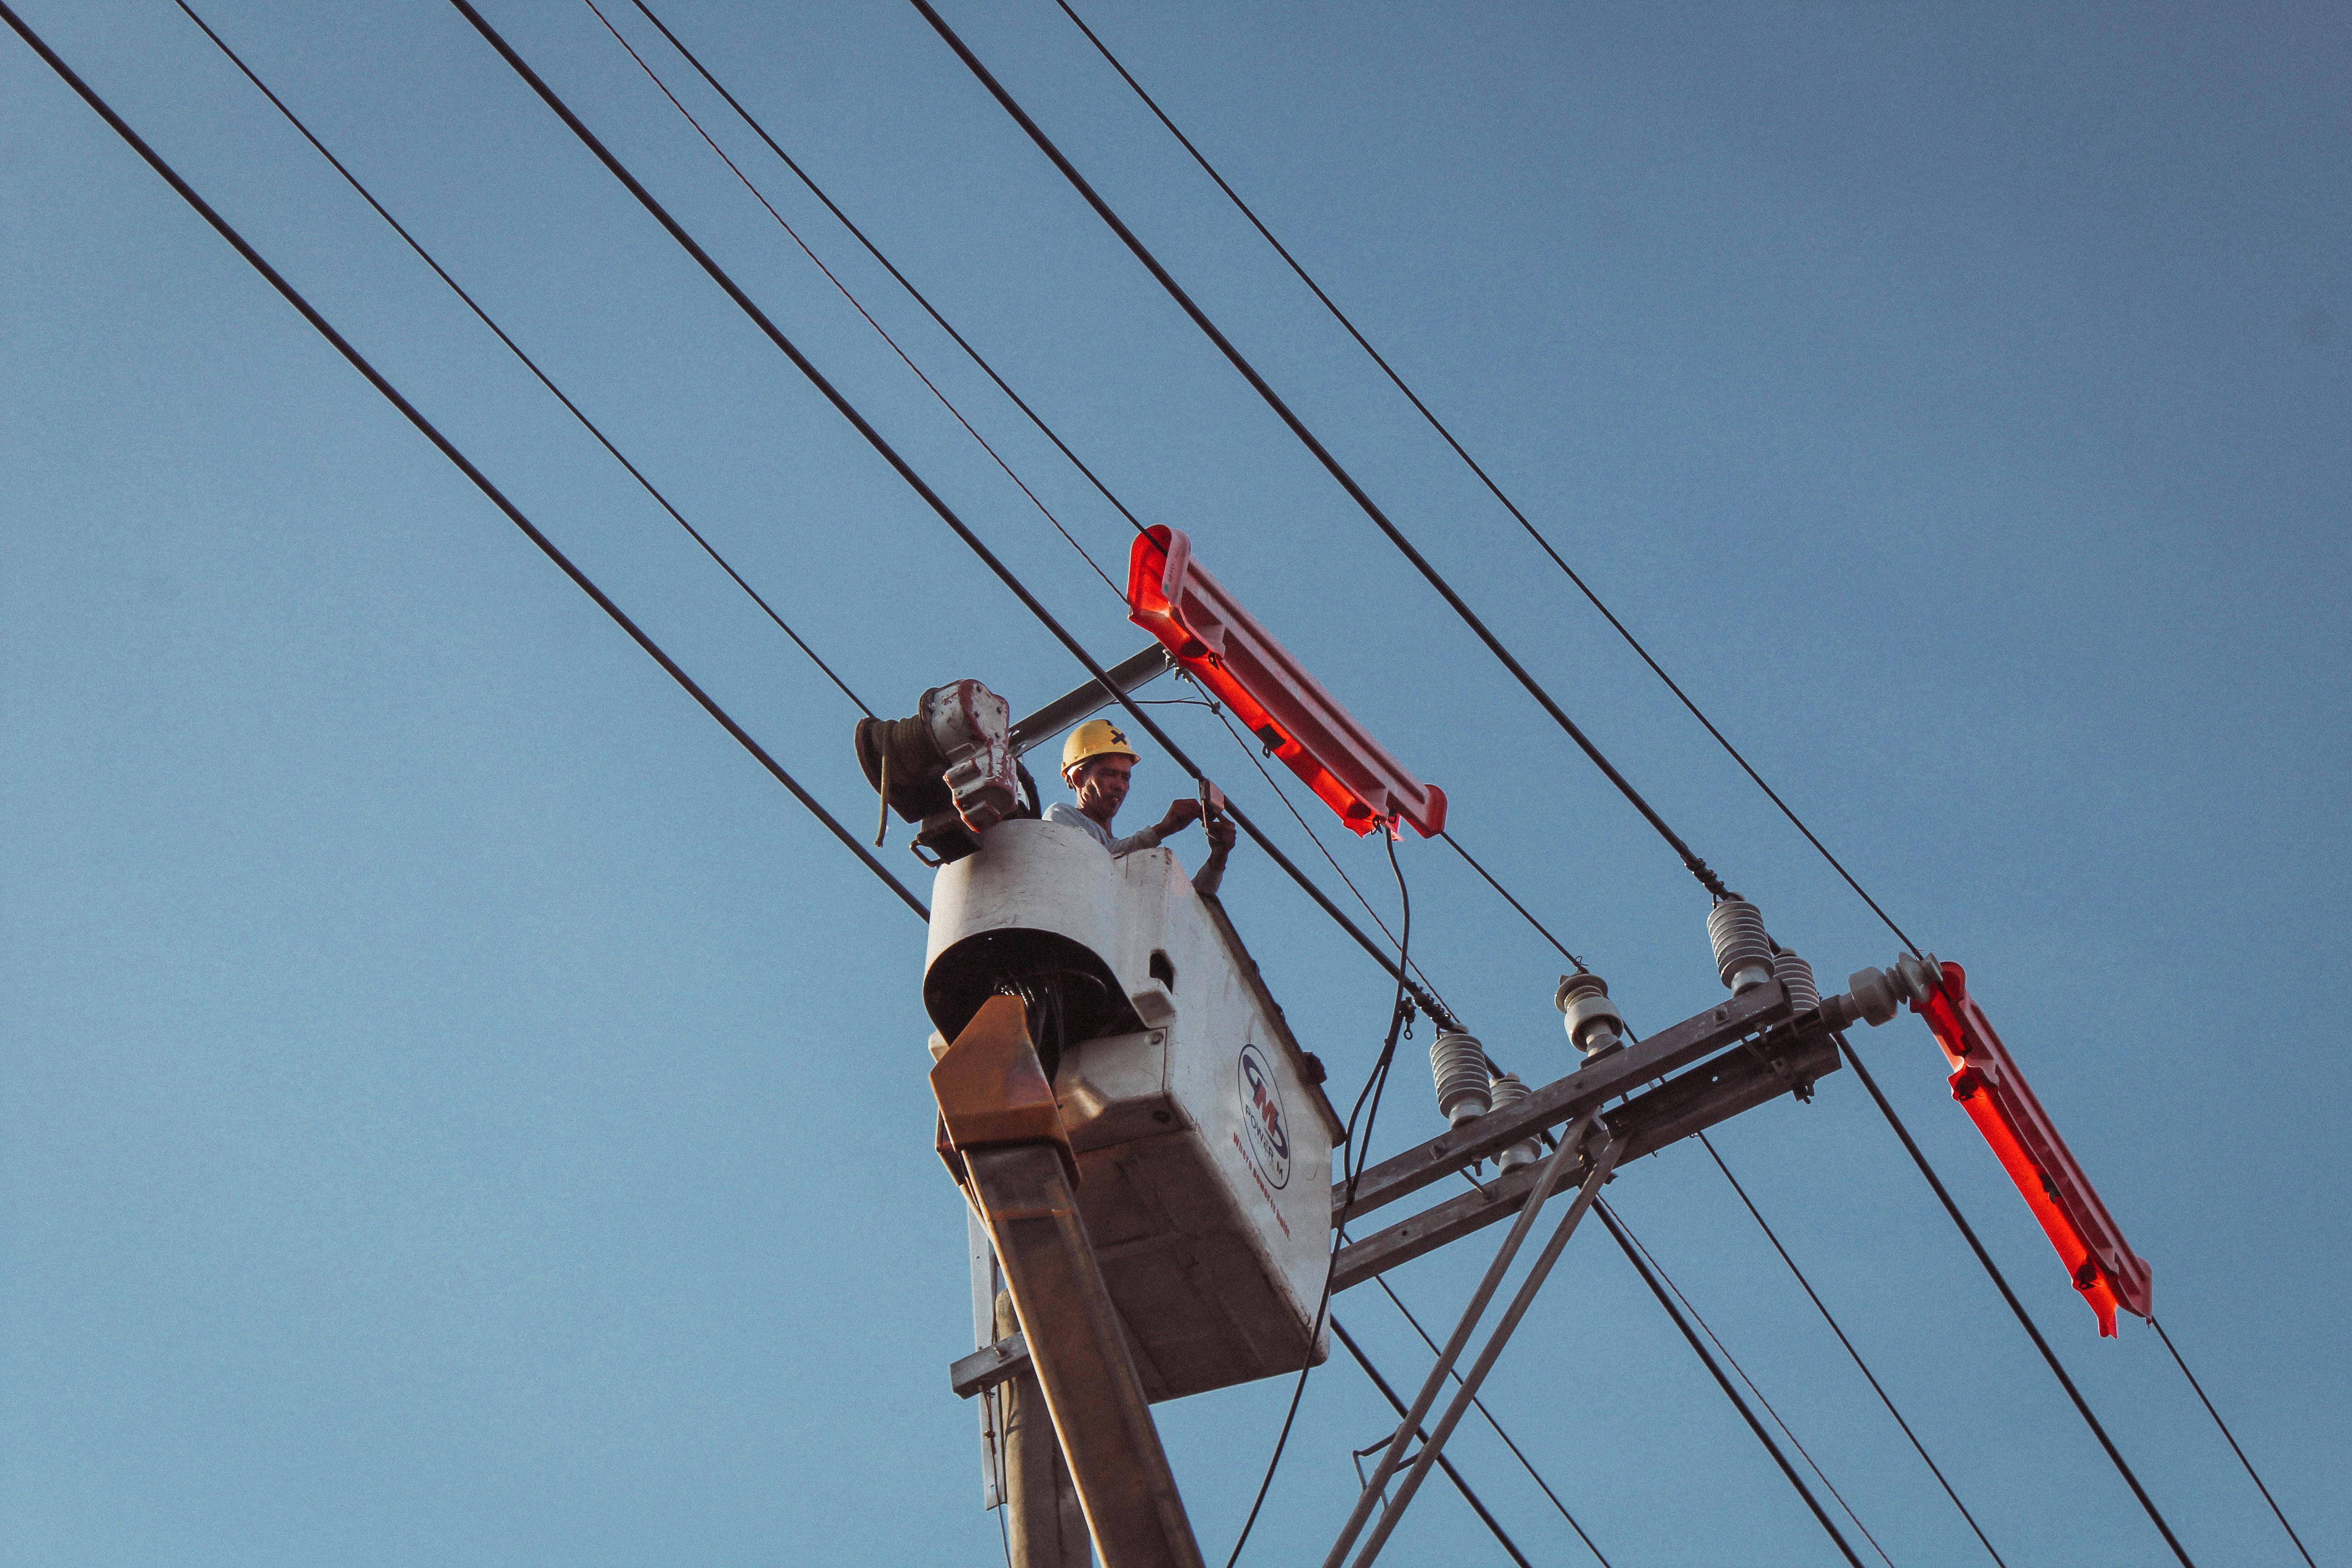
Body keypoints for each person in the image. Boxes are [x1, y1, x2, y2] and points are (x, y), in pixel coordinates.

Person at [1044, 719, 1238, 892]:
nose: (1120, 786)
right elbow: (1095, 866)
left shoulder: (1130, 859)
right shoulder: (1060, 816)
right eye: (1110, 774)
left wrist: (1218, 858)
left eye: (1125, 777)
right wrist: (1162, 830)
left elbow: (1192, 910)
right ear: (1079, 777)